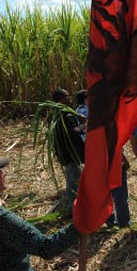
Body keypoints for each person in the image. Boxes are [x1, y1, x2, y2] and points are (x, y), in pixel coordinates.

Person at [50, 89, 85, 218]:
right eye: (67, 97)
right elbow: (73, 133)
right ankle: (74, 209)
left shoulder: (54, 114)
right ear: (61, 100)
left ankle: (75, 207)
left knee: (73, 179)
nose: (69, 99)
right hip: (71, 154)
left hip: (64, 154)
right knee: (74, 181)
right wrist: (82, 124)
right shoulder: (66, 115)